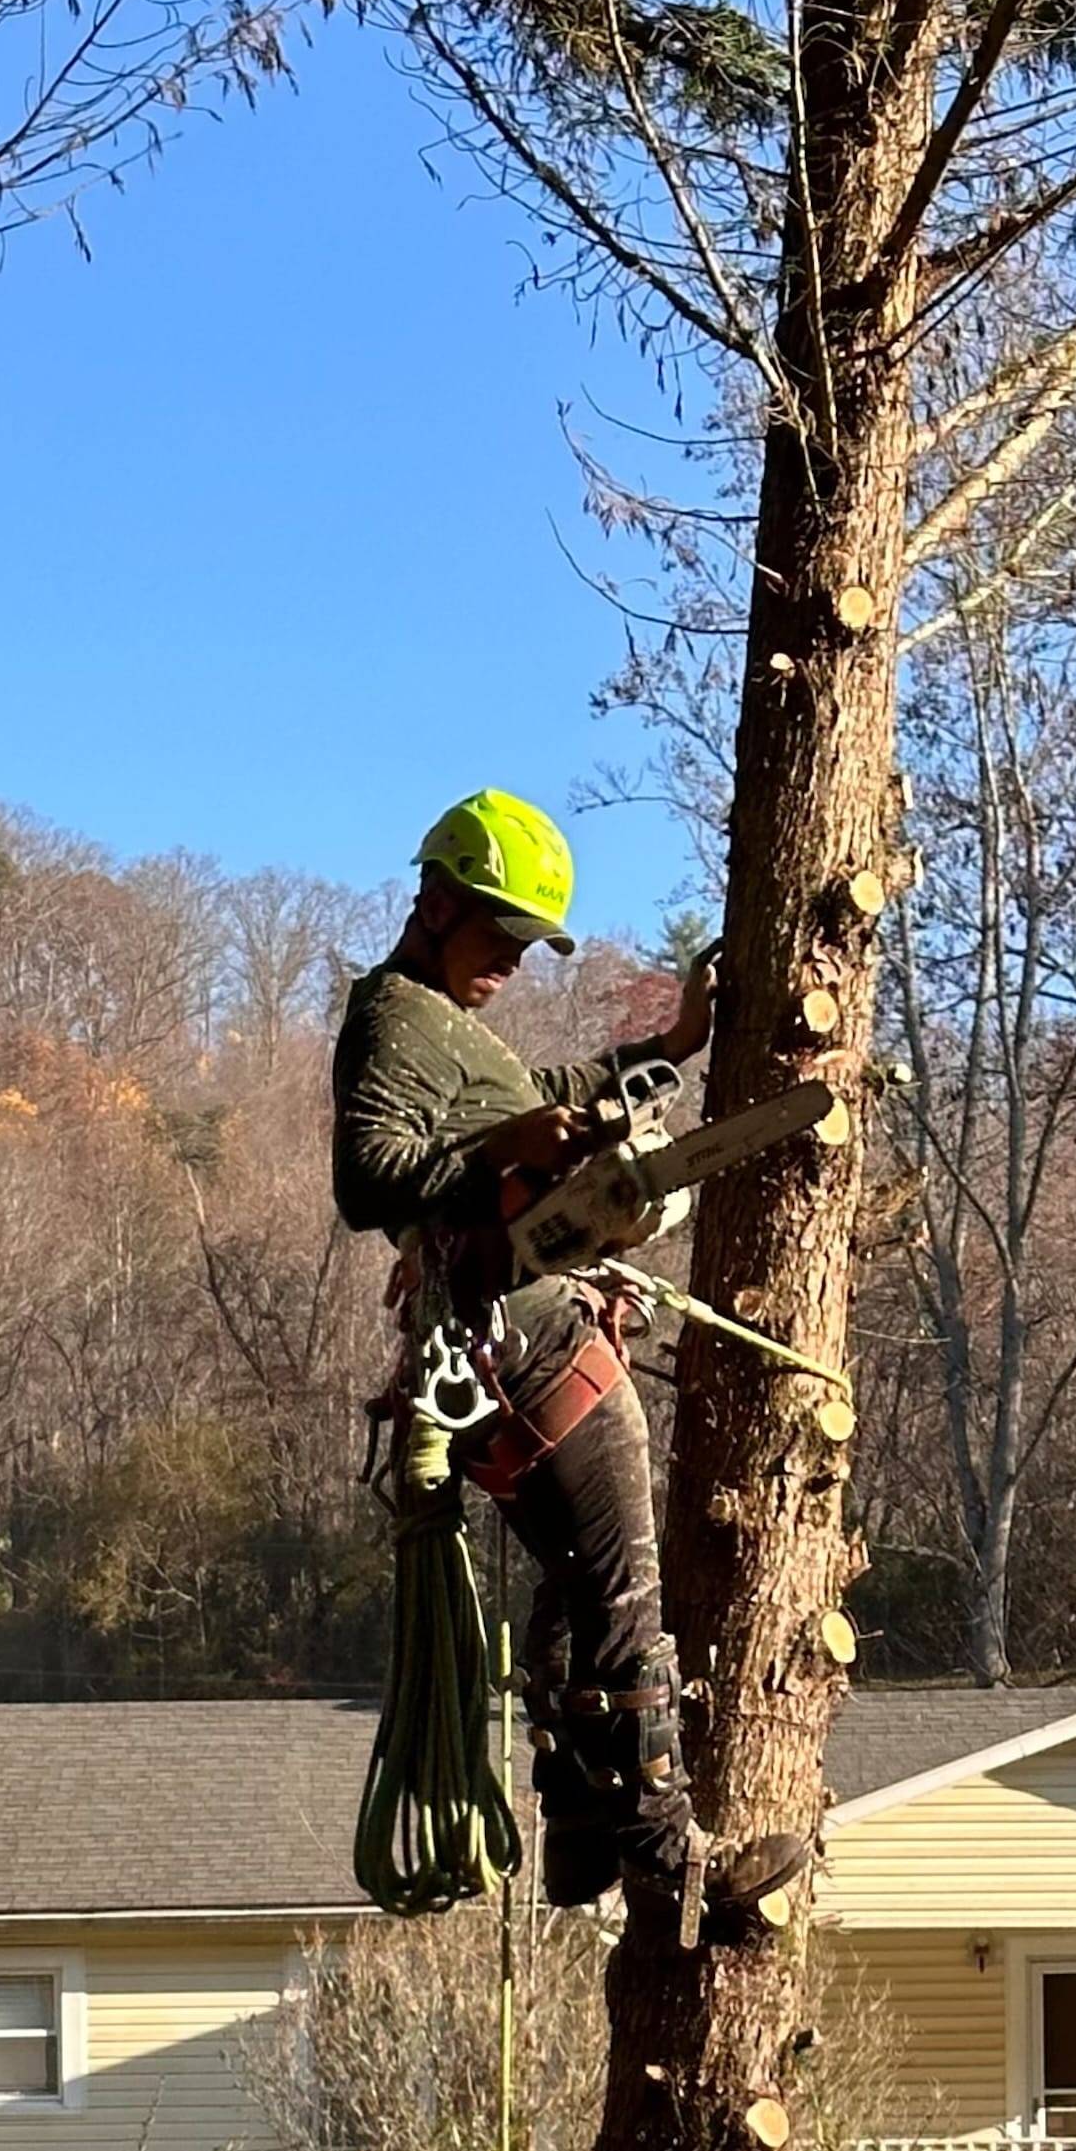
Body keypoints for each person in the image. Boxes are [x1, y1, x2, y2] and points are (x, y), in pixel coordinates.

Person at [330, 792, 807, 1940]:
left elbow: (528, 1105)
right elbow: (368, 1177)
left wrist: (657, 1055)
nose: (505, 961)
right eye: (494, 935)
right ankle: (671, 1858)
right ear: (436, 902)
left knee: (580, 1585)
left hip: (510, 1339)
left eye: (518, 945)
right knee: (622, 1593)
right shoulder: (393, 1011)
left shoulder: (441, 1021)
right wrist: (503, 1147)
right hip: (524, 1337)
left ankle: (585, 1833)